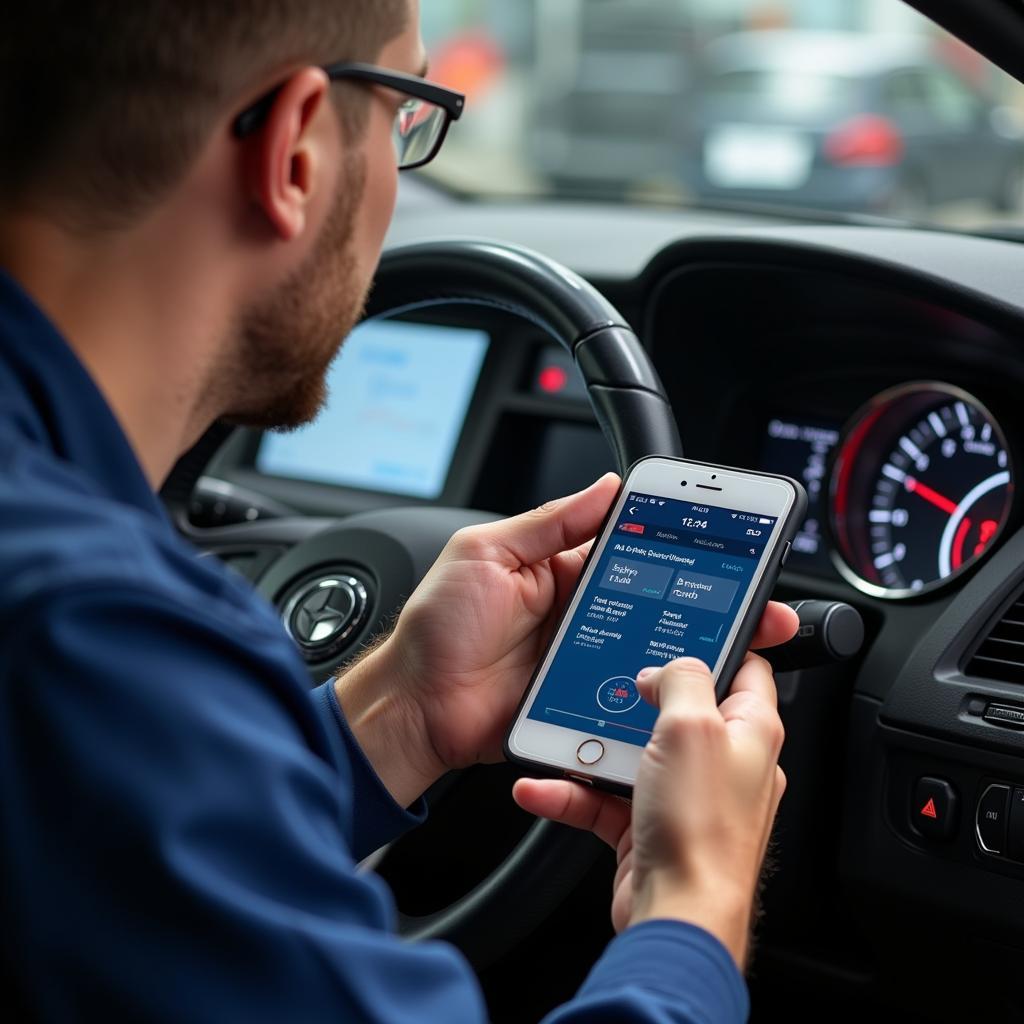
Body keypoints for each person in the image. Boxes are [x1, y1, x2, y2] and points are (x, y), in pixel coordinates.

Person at [0, 2, 798, 1021]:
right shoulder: (97, 642)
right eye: (405, 112)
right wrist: (695, 907)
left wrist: (395, 716)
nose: (399, 169)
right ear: (294, 151)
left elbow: (107, 855)